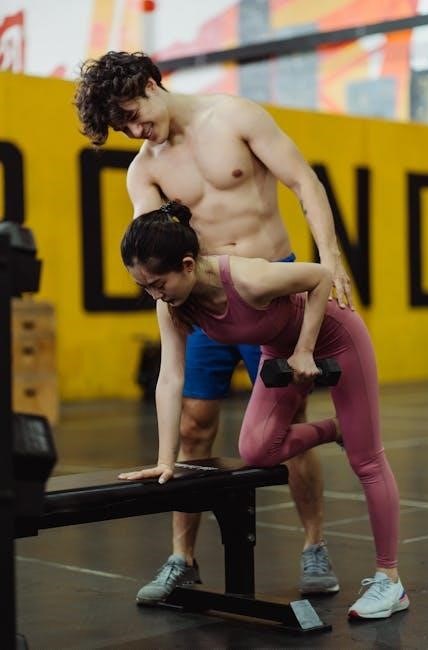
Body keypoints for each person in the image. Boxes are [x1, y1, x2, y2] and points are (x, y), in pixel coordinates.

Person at [75, 50, 353, 603]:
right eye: (121, 127)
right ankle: (182, 557)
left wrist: (331, 258)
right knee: (194, 426)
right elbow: (150, 250)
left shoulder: (236, 116)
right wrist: (165, 303)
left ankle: (314, 546)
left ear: (149, 84)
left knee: (289, 422)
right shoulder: (144, 170)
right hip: (204, 298)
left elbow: (304, 182)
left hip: (270, 286)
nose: (134, 131)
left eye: (131, 114)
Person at [118, 202, 409, 620]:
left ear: (187, 264)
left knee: (367, 460)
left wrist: (305, 349)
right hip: (279, 347)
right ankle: (338, 429)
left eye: (158, 284)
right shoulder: (173, 304)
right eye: (145, 287)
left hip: (336, 337)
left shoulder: (248, 279)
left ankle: (390, 580)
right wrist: (166, 461)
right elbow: (170, 378)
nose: (155, 294)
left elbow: (320, 276)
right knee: (257, 449)